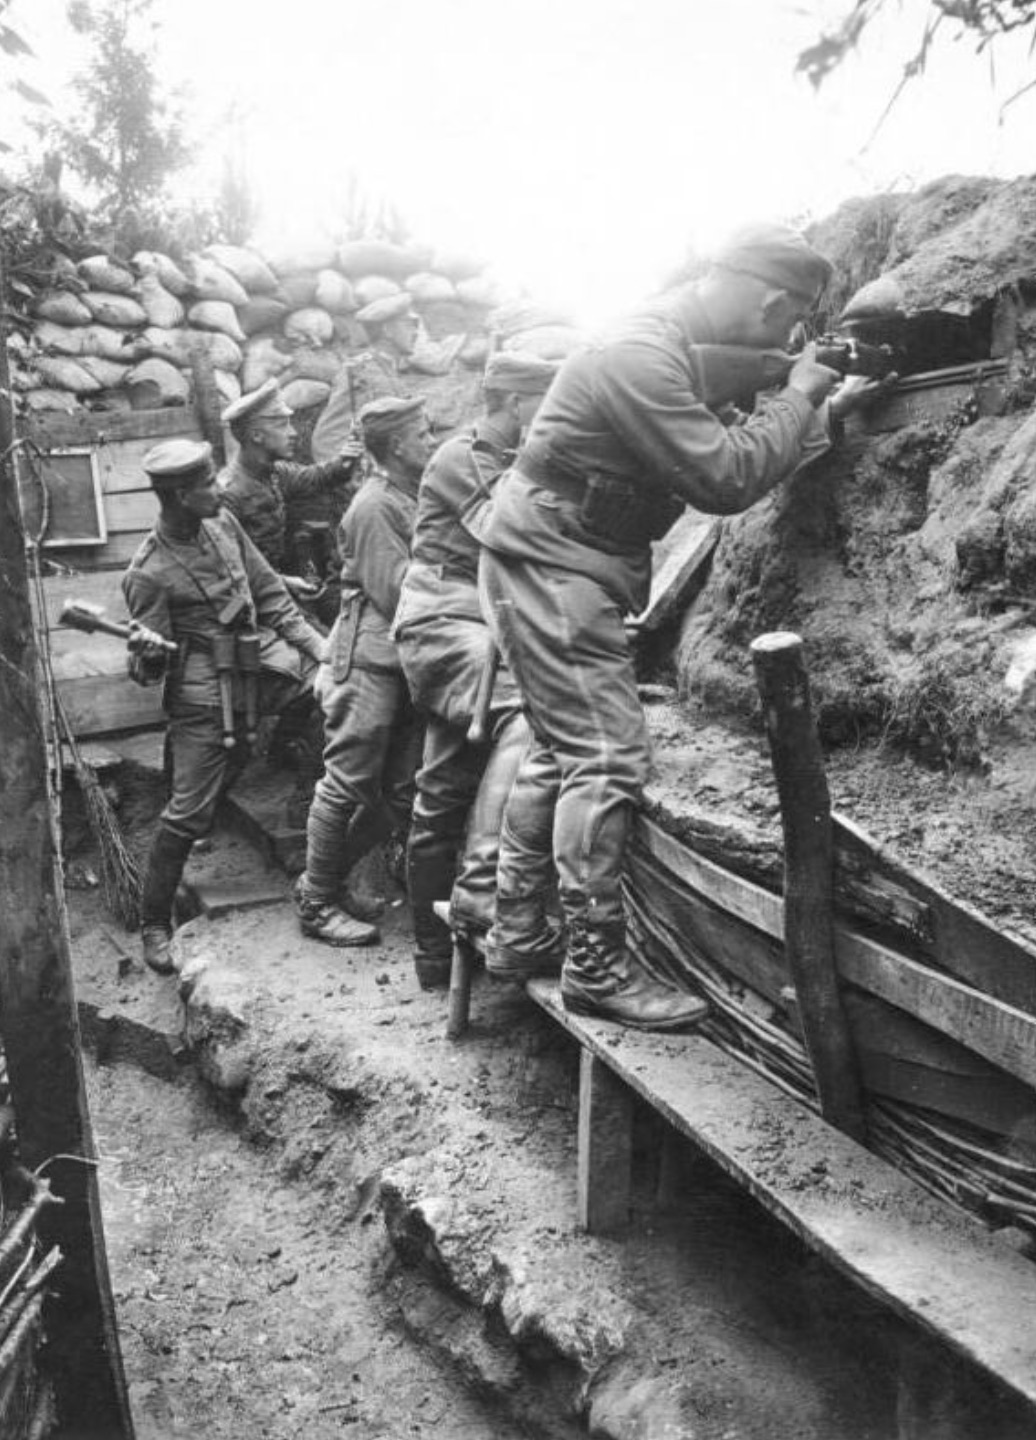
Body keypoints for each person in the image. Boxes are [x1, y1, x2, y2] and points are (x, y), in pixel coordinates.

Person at [476, 223, 884, 1031]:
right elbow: (725, 476)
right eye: (787, 324)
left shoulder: (668, 339)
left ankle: (519, 930)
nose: (786, 340)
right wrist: (801, 392)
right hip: (555, 564)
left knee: (561, 753)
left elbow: (738, 433)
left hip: (560, 559)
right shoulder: (640, 353)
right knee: (605, 757)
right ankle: (594, 968)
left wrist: (818, 400)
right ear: (770, 301)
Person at [123, 439, 327, 975]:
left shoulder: (223, 526)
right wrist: (144, 655)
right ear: (178, 495)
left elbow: (271, 596)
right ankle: (155, 922)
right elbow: (148, 671)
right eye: (206, 486)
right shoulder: (149, 572)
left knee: (331, 696)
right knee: (189, 812)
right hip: (204, 696)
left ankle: (305, 815)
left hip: (258, 668)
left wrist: (321, 652)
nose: (218, 490)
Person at [393, 352, 561, 989]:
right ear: (516, 401)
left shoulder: (504, 454)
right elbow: (523, 531)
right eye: (541, 402)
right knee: (530, 710)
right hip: (444, 617)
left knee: (439, 793)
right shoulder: (465, 458)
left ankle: (436, 957)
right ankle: (481, 888)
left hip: (481, 619)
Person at [293, 396, 433, 949]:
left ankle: (320, 881)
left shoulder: (406, 495)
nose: (430, 441)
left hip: (404, 662)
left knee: (400, 793)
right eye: (422, 434)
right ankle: (316, 903)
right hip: (370, 660)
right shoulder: (374, 506)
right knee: (346, 783)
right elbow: (395, 590)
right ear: (396, 445)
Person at [217, 377, 364, 614]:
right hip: (240, 604)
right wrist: (283, 583)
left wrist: (346, 459)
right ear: (257, 436)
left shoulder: (275, 473)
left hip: (274, 588)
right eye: (283, 425)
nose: (293, 433)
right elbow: (226, 577)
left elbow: (317, 477)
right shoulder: (229, 494)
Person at [309, 294, 420, 464]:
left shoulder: (387, 368)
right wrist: (342, 474)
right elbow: (328, 436)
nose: (416, 332)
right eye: (409, 325)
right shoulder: (360, 370)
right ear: (388, 330)